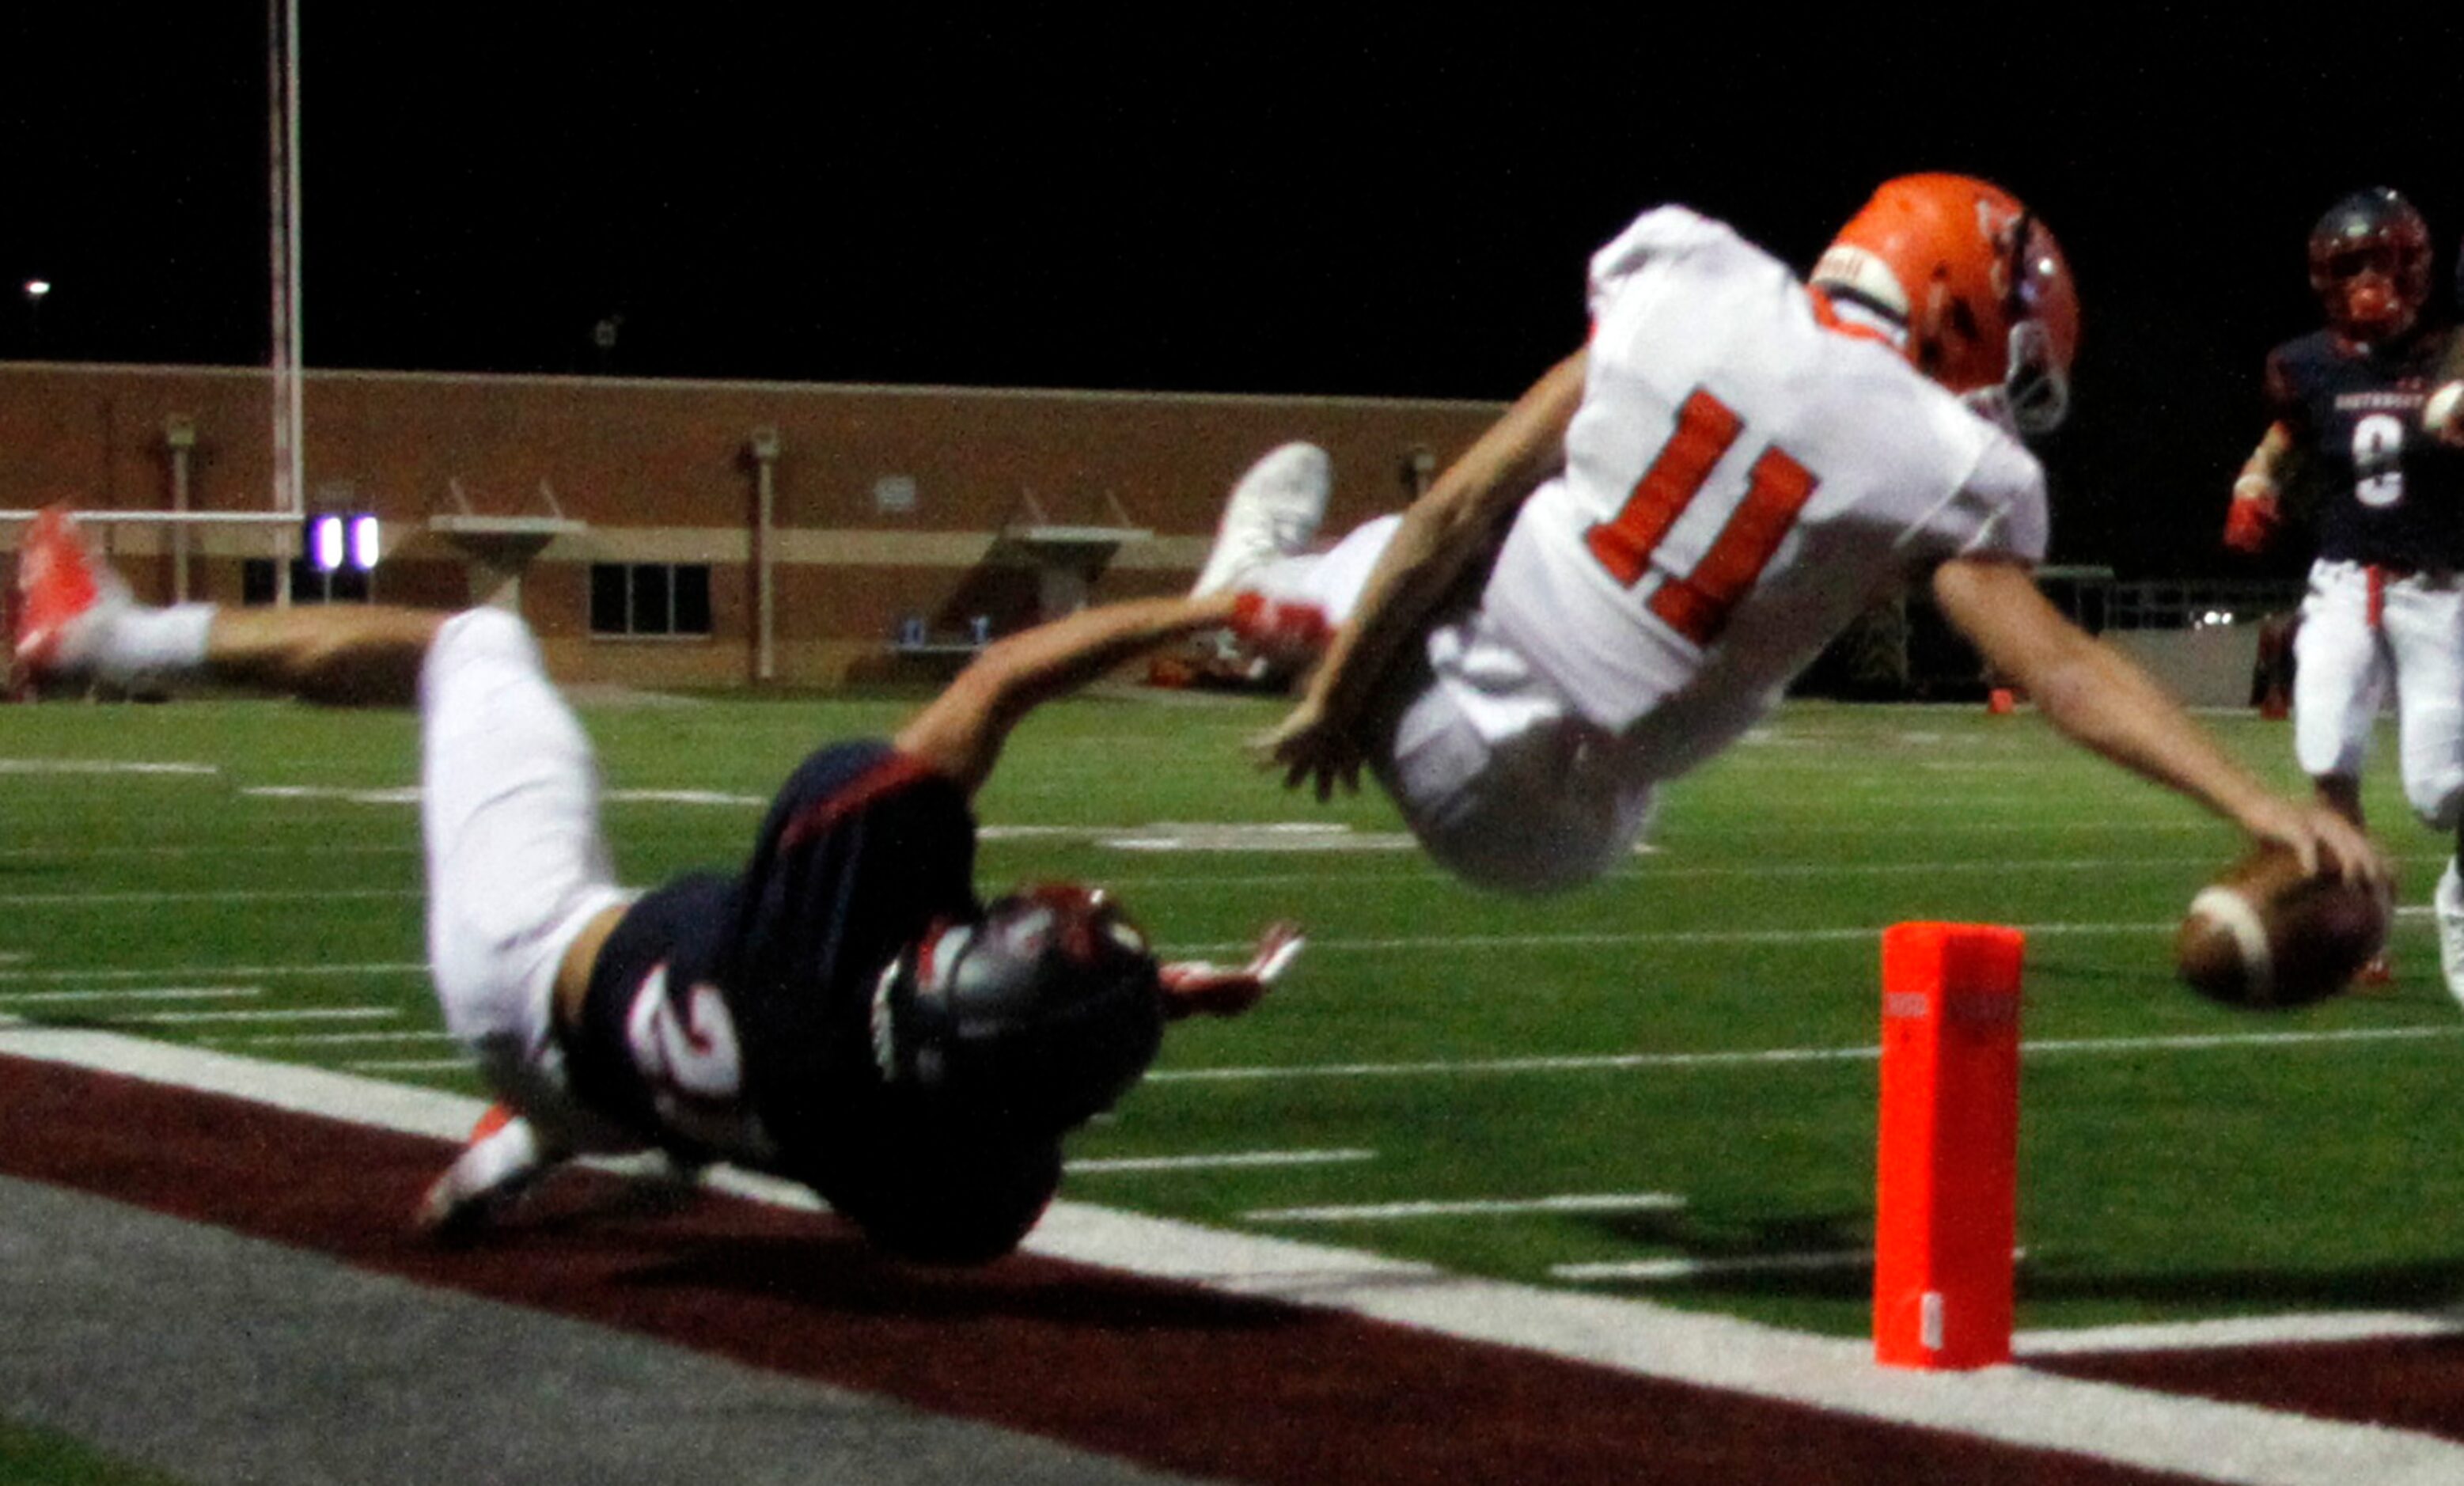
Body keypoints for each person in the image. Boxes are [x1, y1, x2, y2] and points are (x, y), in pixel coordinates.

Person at [12, 506, 1301, 1260]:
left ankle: (97, 638)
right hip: (610, 1089)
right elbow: (986, 1067)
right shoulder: (965, 1198)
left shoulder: (837, 906)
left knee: (475, 643)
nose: (1034, 897)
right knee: (674, 1113)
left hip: (525, 946)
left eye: (1031, 923)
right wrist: (1122, 1005)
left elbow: (996, 680)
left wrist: (1202, 610)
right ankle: (522, 1141)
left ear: (952, 958)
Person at [1195, 173, 2380, 907]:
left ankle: (1264, 600)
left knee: (1469, 533)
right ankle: (1281, 604)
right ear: (1954, 301)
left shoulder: (1689, 278)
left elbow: (1457, 509)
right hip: (1562, 841)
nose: (1996, 398)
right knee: (1598, 646)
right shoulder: (1947, 459)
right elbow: (2061, 668)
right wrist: (2250, 802)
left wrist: (1338, 690)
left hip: (1445, 719)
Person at [2222, 187, 2464, 995]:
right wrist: (2255, 485)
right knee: (2328, 754)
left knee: (2440, 792)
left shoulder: (2450, 354)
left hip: (2438, 591)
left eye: (2382, 260)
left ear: (2416, 266)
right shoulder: (2307, 364)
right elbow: (2286, 438)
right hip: (2341, 583)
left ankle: (2455, 890)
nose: (2369, 279)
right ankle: (2362, 936)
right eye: (2350, 264)